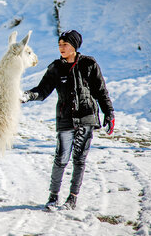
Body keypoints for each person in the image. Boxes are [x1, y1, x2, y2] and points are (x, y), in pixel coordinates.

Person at [21, 30, 115, 210]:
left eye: (65, 44)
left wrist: (109, 113)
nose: (61, 48)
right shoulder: (55, 68)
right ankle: (53, 197)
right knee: (61, 158)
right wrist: (27, 95)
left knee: (79, 159)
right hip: (65, 119)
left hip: (87, 118)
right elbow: (42, 91)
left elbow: (101, 91)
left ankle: (72, 198)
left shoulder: (89, 64)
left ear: (74, 46)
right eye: (59, 45)